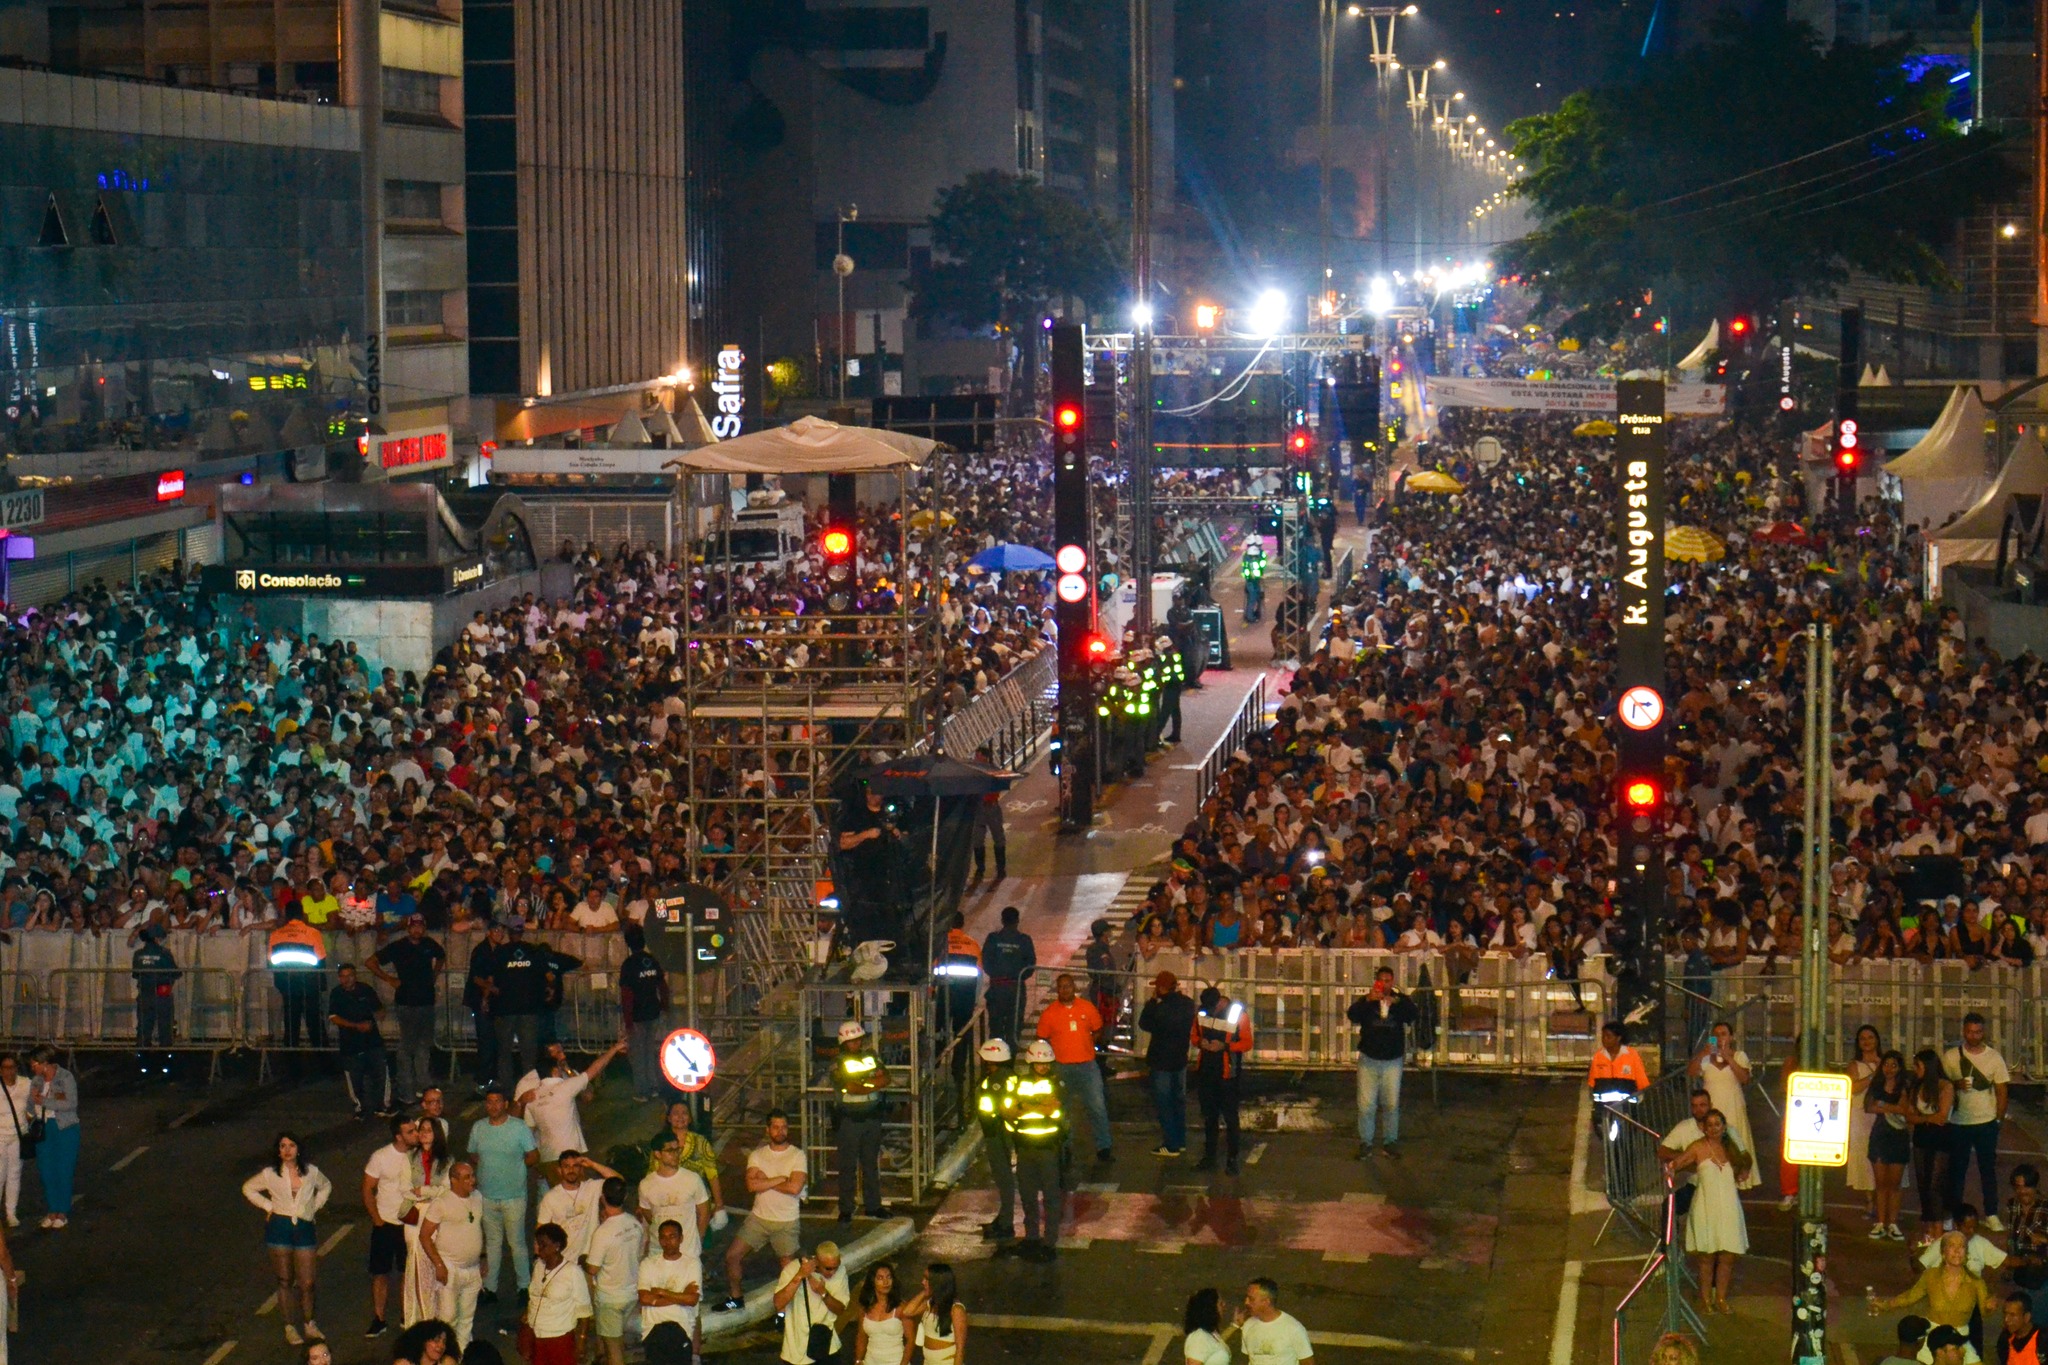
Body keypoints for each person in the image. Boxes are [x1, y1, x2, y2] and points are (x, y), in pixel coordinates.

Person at [241, 1131, 334, 1346]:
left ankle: (309, 1323)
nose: (287, 1150)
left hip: (304, 1228)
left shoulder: (311, 1172)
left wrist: (313, 1207)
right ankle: (289, 1326)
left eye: (291, 1145)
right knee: (284, 1280)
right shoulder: (270, 1173)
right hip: (279, 1228)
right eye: (282, 1146)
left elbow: (326, 1186)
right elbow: (248, 1188)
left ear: (298, 1149)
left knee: (308, 1282)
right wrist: (269, 1206)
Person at [1664, 1108, 1751, 1315]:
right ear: (1704, 1128)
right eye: (1709, 1125)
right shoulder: (1698, 1147)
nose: (1713, 1128)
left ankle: (1720, 1297)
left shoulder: (1731, 1148)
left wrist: (1744, 1171)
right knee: (1707, 1257)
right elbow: (1676, 1163)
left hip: (1729, 1206)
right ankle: (1705, 1299)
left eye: (1717, 1124)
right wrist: (1671, 1171)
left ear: (1723, 1126)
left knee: (1727, 1256)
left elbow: (1746, 1162)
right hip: (1705, 1206)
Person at [716, 1111, 806, 1311]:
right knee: (733, 1256)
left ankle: (785, 1311)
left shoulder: (797, 1155)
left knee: (787, 1267)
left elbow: (795, 1188)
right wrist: (781, 1178)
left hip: (786, 1221)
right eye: (775, 1126)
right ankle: (736, 1298)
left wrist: (765, 1180)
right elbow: (751, 1185)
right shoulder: (757, 1155)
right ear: (768, 1129)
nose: (780, 1131)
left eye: (783, 1127)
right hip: (758, 1218)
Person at [466, 1084, 537, 1307]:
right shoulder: (478, 1128)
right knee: (493, 1243)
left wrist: (515, 1169)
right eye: (489, 1101)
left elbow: (533, 1155)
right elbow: (473, 1154)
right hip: (487, 1196)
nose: (493, 1106)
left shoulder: (519, 1127)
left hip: (514, 1196)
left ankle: (524, 1287)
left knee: (517, 1243)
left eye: (497, 1101)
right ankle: (490, 1288)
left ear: (505, 1104)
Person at [515, 1038, 627, 1175]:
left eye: (562, 1051)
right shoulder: (527, 1083)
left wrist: (568, 1071)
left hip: (547, 1156)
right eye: (557, 1053)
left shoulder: (566, 1076)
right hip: (565, 1155)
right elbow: (595, 1069)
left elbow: (588, 1097)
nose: (563, 1056)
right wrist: (614, 1049)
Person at [371, 915, 446, 1108]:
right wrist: (389, 979)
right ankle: (407, 1090)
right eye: (414, 926)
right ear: (409, 928)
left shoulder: (429, 944)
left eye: (421, 926)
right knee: (406, 1048)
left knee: (423, 1047)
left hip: (426, 1002)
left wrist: (434, 975)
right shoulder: (398, 946)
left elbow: (441, 955)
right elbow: (370, 962)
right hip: (406, 1003)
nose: (417, 930)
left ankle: (424, 1088)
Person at [1873, 1231, 1997, 1348]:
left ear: (1966, 1253)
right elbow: (1909, 1297)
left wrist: (1989, 1307)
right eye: (1952, 1246)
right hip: (1933, 1339)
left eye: (1962, 1246)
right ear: (1943, 1252)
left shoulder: (1977, 1283)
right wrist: (1886, 1305)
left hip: (1960, 1341)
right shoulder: (1930, 1276)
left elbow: (1984, 1312)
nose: (1957, 1251)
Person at [1003, 1039, 1067, 1261]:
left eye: (1047, 1063)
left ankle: (1049, 1243)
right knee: (1028, 1196)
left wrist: (1024, 1106)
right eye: (1040, 1063)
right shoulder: (1019, 1083)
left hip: (1048, 1148)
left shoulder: (1056, 1083)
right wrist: (1038, 1106)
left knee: (1050, 1197)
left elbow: (1054, 1109)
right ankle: (1031, 1238)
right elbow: (1007, 1110)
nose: (1044, 1066)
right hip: (1025, 1148)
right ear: (1031, 1062)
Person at [1946, 1012, 2012, 1230]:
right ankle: (1954, 1215)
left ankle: (1991, 1213)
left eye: (1978, 1032)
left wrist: (1998, 1120)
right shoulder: (1951, 1057)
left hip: (1986, 1123)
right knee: (1956, 1171)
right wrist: (1956, 1085)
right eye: (1969, 1031)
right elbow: (1940, 1086)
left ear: (1983, 1032)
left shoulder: (1994, 1058)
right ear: (1964, 1031)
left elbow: (2002, 1090)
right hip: (1958, 1122)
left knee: (1988, 1171)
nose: (1973, 1036)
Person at [1036, 973, 1111, 1163]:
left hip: (1087, 1066)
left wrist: (1088, 1044)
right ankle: (1064, 1147)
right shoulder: (1049, 1013)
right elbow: (1041, 1039)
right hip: (1061, 1068)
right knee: (1062, 1110)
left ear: (1074, 987)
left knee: (1097, 1107)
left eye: (1068, 986)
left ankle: (1104, 1148)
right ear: (1057, 989)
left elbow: (1098, 1030)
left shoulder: (1087, 1008)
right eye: (1061, 987)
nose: (1065, 990)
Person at [1346, 967, 1418, 1160]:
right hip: (1369, 1059)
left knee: (1391, 1104)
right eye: (1381, 980)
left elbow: (1412, 1014)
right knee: (1366, 1105)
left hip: (1392, 1060)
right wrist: (1368, 999)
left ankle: (1389, 1142)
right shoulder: (1368, 1000)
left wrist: (1396, 1003)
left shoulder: (1400, 999)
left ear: (1392, 982)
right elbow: (1352, 1015)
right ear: (1376, 982)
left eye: (1388, 980)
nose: (1384, 984)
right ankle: (1366, 1142)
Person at [362, 1114, 420, 1337]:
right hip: (386, 1222)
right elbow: (367, 1189)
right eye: (410, 1132)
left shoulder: (418, 1156)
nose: (415, 1135)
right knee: (381, 1273)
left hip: (410, 1223)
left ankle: (407, 1315)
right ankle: (379, 1318)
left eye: (415, 1130)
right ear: (398, 1136)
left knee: (408, 1271)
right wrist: (377, 1220)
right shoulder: (381, 1157)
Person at [417, 1160, 485, 1349]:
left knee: (467, 1318)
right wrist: (439, 1264)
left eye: (472, 1175)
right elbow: (424, 1236)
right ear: (454, 1180)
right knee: (448, 1317)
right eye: (466, 1177)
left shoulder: (477, 1197)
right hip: (450, 1268)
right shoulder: (442, 1203)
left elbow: (478, 1227)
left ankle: (461, 1354)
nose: (472, 1180)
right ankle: (445, 1355)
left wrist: (483, 1257)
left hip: (472, 1269)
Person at [1687, 1022, 1758, 1190]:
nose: (1720, 1038)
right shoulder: (1705, 1058)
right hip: (1712, 1104)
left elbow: (1745, 1079)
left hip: (1733, 1103)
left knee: (1734, 1138)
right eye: (1716, 1034)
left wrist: (1728, 1058)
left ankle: (1738, 1175)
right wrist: (1704, 1053)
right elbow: (1691, 1072)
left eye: (1723, 1034)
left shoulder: (1739, 1055)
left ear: (1731, 1037)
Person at [831, 1019, 889, 1222]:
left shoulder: (871, 1056)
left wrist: (864, 1084)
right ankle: (846, 1209)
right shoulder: (839, 1063)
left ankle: (874, 1206)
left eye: (858, 1040)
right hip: (849, 1121)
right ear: (843, 1043)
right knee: (847, 1167)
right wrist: (872, 1084)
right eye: (851, 1041)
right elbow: (850, 1087)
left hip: (871, 1119)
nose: (856, 1044)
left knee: (871, 1165)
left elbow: (886, 1079)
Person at [402, 1110, 456, 1328]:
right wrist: (423, 1193)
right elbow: (404, 1188)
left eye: (428, 1130)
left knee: (436, 1262)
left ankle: (437, 1315)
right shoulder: (409, 1157)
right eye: (421, 1130)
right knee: (416, 1264)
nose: (424, 1134)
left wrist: (423, 1190)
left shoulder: (447, 1160)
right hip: (415, 1214)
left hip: (436, 1215)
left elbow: (445, 1189)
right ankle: (419, 1318)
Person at [1193, 985, 1252, 1175]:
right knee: (1209, 1116)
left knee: (1230, 1117)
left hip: (1227, 1074)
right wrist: (1199, 1042)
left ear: (1220, 1001)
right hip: (1206, 1071)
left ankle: (1232, 1159)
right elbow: (1194, 1035)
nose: (1210, 1011)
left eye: (1212, 1007)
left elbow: (1247, 1042)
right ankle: (1209, 1157)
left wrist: (1225, 1046)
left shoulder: (1237, 1014)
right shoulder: (1202, 1012)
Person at [583, 1177, 642, 1365]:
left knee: (614, 1350)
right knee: (619, 1342)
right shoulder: (635, 1225)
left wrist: (583, 1260)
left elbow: (592, 1268)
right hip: (631, 1294)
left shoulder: (603, 1233)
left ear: (602, 1198)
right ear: (625, 1196)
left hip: (610, 1299)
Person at [1138, 971, 1197, 1158]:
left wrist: (1152, 1002)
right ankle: (1180, 1142)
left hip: (1161, 1060)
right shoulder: (1187, 1004)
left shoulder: (1160, 1008)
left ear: (1162, 988)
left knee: (1164, 1103)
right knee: (1178, 1101)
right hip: (1179, 1058)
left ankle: (1170, 1144)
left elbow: (1144, 1023)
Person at [485, 919, 546, 1091]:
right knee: (527, 1053)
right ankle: (527, 1089)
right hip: (524, 1010)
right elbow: (545, 978)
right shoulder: (533, 951)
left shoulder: (500, 952)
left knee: (506, 1053)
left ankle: (509, 1091)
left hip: (507, 1010)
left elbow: (491, 979)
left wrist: (488, 997)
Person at [329, 963, 393, 1120]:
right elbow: (334, 1017)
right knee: (354, 1077)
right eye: (343, 976)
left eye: (349, 975)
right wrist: (356, 1026)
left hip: (372, 1040)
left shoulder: (365, 990)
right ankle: (360, 1108)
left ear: (355, 976)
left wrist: (379, 1014)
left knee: (380, 1073)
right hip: (350, 1043)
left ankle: (382, 1105)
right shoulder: (336, 993)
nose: (346, 979)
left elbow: (379, 1009)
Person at [635, 1133, 712, 1259]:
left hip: (688, 1252)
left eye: (677, 1150)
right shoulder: (646, 1185)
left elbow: (704, 1212)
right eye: (670, 1151)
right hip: (658, 1252)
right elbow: (649, 1216)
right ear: (658, 1154)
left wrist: (697, 1240)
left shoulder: (692, 1179)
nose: (676, 1154)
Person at [533, 1150, 619, 1262]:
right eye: (566, 1166)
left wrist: (592, 1164)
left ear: (581, 1169)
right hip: (564, 1261)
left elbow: (618, 1181)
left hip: (591, 1258)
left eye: (575, 1166)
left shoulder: (592, 1187)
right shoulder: (550, 1198)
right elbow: (541, 1231)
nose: (571, 1170)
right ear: (560, 1170)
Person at [617, 925, 671, 1102]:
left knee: (638, 1055)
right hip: (653, 1012)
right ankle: (654, 1086)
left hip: (638, 1016)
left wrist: (628, 1021)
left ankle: (642, 1091)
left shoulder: (629, 965)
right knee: (650, 1051)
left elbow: (627, 995)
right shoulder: (652, 960)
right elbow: (662, 986)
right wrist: (664, 1007)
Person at [525, 1222, 592, 1365]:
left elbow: (584, 1310)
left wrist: (581, 1341)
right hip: (537, 1335)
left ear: (556, 1246)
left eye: (543, 1245)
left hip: (560, 1338)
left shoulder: (573, 1272)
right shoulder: (538, 1267)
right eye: (537, 1244)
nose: (538, 1249)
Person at [26, 1046, 77, 1230]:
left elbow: (71, 1103)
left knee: (63, 1169)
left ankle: (62, 1212)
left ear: (44, 1063)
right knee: (46, 1170)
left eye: (34, 1064)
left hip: (64, 1128)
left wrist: (45, 1101)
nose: (33, 1068)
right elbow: (30, 1106)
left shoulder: (65, 1077)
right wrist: (31, 1106)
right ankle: (52, 1209)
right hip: (44, 1127)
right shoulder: (37, 1081)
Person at [772, 1242, 850, 1365]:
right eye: (828, 1268)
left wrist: (823, 1293)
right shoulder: (792, 1270)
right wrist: (799, 1276)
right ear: (816, 1261)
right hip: (796, 1353)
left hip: (827, 1347)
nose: (833, 1272)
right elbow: (778, 1303)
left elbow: (840, 1309)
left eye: (836, 1266)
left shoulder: (841, 1272)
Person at [1910, 1047, 1957, 1245]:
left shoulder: (1946, 1086)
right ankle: (1929, 1229)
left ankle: (1938, 1230)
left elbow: (1942, 1116)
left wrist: (1922, 1119)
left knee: (1936, 1184)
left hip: (1940, 1140)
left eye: (1918, 1066)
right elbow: (1909, 1116)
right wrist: (1927, 1120)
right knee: (1923, 1183)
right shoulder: (1917, 1087)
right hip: (1922, 1138)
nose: (1915, 1070)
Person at [1866, 1049, 1914, 1241]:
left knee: (1894, 1184)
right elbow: (1868, 1106)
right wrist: (1889, 1107)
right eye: (1886, 1064)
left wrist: (1883, 1105)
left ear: (1900, 1068)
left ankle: (1892, 1223)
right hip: (1879, 1137)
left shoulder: (1904, 1086)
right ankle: (1880, 1222)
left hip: (1898, 1138)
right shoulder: (1876, 1084)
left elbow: (1905, 1109)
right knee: (1880, 1183)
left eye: (1894, 1065)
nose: (1889, 1068)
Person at [637, 1219, 702, 1360]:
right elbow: (644, 1298)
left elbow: (692, 1299)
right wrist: (680, 1297)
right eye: (663, 1237)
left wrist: (661, 1292)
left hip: (681, 1328)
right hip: (653, 1329)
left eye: (672, 1236)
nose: (667, 1241)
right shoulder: (648, 1264)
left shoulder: (692, 1263)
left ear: (681, 1239)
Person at [972, 1038, 1018, 1241]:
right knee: (1004, 1179)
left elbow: (1000, 1110)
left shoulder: (997, 1081)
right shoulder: (1007, 1076)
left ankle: (1006, 1222)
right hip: (998, 1132)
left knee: (1004, 1179)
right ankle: (1003, 1218)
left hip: (998, 1134)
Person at [269, 905, 329, 1053]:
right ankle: (325, 1063)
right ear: (302, 915)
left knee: (291, 1025)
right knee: (315, 1024)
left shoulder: (276, 934)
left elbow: (271, 961)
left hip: (286, 985)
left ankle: (292, 1066)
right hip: (309, 984)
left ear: (287, 916)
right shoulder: (312, 932)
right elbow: (321, 960)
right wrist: (321, 984)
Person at [464, 920, 508, 1094]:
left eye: (501, 931)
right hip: (480, 1000)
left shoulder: (498, 951)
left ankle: (490, 1078)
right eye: (496, 930)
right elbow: (477, 978)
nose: (499, 933)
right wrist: (487, 994)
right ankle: (482, 1080)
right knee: (486, 1042)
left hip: (492, 1001)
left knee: (493, 1041)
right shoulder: (481, 951)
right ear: (489, 932)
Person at [130, 922, 179, 1079]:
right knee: (165, 1028)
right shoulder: (165, 954)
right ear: (158, 938)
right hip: (162, 995)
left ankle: (143, 1065)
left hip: (144, 995)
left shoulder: (138, 955)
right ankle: (166, 1065)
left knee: (144, 1028)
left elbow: (136, 974)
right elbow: (175, 973)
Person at [1655, 1089, 1713, 1220]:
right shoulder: (1685, 1127)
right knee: (1668, 1207)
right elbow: (1663, 1151)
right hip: (1695, 1185)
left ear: (1711, 1105)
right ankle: (1668, 1240)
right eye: (1694, 1106)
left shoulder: (1723, 1127)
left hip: (1717, 1185)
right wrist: (1687, 1160)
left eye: (1702, 1105)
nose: (1698, 1110)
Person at [981, 906, 1035, 1045]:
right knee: (1014, 1027)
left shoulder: (993, 938)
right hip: (1016, 989)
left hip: (997, 988)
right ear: (1017, 920)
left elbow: (986, 962)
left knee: (996, 1027)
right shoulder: (1024, 940)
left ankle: (997, 1061)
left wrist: (997, 974)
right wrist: (1018, 976)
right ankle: (1010, 1061)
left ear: (1002, 920)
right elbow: (1030, 965)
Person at [1849, 1025, 1885, 1217]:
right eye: (1863, 1038)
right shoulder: (1855, 1065)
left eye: (1871, 1037)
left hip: (1883, 1114)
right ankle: (1870, 1201)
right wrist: (1874, 1074)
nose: (1867, 1041)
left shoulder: (1886, 1061)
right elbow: (1853, 1088)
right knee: (1864, 1158)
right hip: (1862, 1115)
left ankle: (1884, 1202)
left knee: (1885, 1157)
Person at [1234, 1278, 1313, 1365]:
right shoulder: (1248, 1325)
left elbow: (1307, 1363)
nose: (1246, 1302)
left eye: (1251, 1299)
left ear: (1266, 1302)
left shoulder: (1293, 1328)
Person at [1919, 1204, 2006, 1278]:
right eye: (1968, 1228)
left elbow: (2005, 1260)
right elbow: (1919, 1266)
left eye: (1974, 1227)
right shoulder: (1942, 1243)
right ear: (1957, 1225)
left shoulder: (1980, 1242)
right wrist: (1913, 1253)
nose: (1972, 1231)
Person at [906, 1262, 967, 1365]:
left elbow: (960, 1348)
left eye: (927, 1279)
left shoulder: (956, 1309)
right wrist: (924, 1293)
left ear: (938, 1282)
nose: (922, 1282)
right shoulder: (930, 1303)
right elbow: (908, 1311)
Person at [852, 1262, 912, 1365]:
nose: (886, 1282)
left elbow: (910, 1340)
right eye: (880, 1278)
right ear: (872, 1281)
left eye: (889, 1277)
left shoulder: (901, 1307)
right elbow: (861, 1337)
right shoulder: (865, 1308)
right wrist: (858, 1360)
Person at [0, 1056, 31, 1228]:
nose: (9, 1071)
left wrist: (31, 1116)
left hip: (18, 1136)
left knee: (14, 1174)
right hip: (0, 1136)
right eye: (5, 1067)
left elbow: (35, 1102)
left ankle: (11, 1213)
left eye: (12, 1067)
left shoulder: (25, 1084)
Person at [970, 747, 1007, 885]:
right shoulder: (974, 772)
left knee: (998, 837)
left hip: (991, 806)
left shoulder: (992, 770)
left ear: (985, 757)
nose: (975, 758)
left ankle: (1001, 869)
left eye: (978, 756)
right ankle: (980, 869)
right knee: (977, 840)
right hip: (980, 808)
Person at [1586, 1021, 1651, 1100]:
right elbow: (1592, 1083)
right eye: (1603, 1036)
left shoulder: (1632, 1055)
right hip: (1603, 1107)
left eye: (1608, 1037)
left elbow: (1642, 1082)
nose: (1604, 1039)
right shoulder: (1598, 1056)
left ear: (1618, 1038)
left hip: (1626, 1107)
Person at [1182, 1287, 1234, 1365]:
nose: (1224, 1305)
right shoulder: (1199, 1338)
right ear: (1211, 1308)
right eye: (1220, 1303)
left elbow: (1213, 1346)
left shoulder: (1209, 1333)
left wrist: (1235, 1325)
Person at [1999, 1290, 2044, 1364]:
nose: (2006, 1319)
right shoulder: (2005, 1339)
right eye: (2005, 1314)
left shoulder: (2042, 1339)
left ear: (2026, 1317)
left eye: (2012, 1315)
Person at [390, 1320, 458, 1365]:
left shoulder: (447, 1363)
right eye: (436, 1340)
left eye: (444, 1341)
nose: (441, 1345)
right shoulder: (404, 1363)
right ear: (422, 1341)